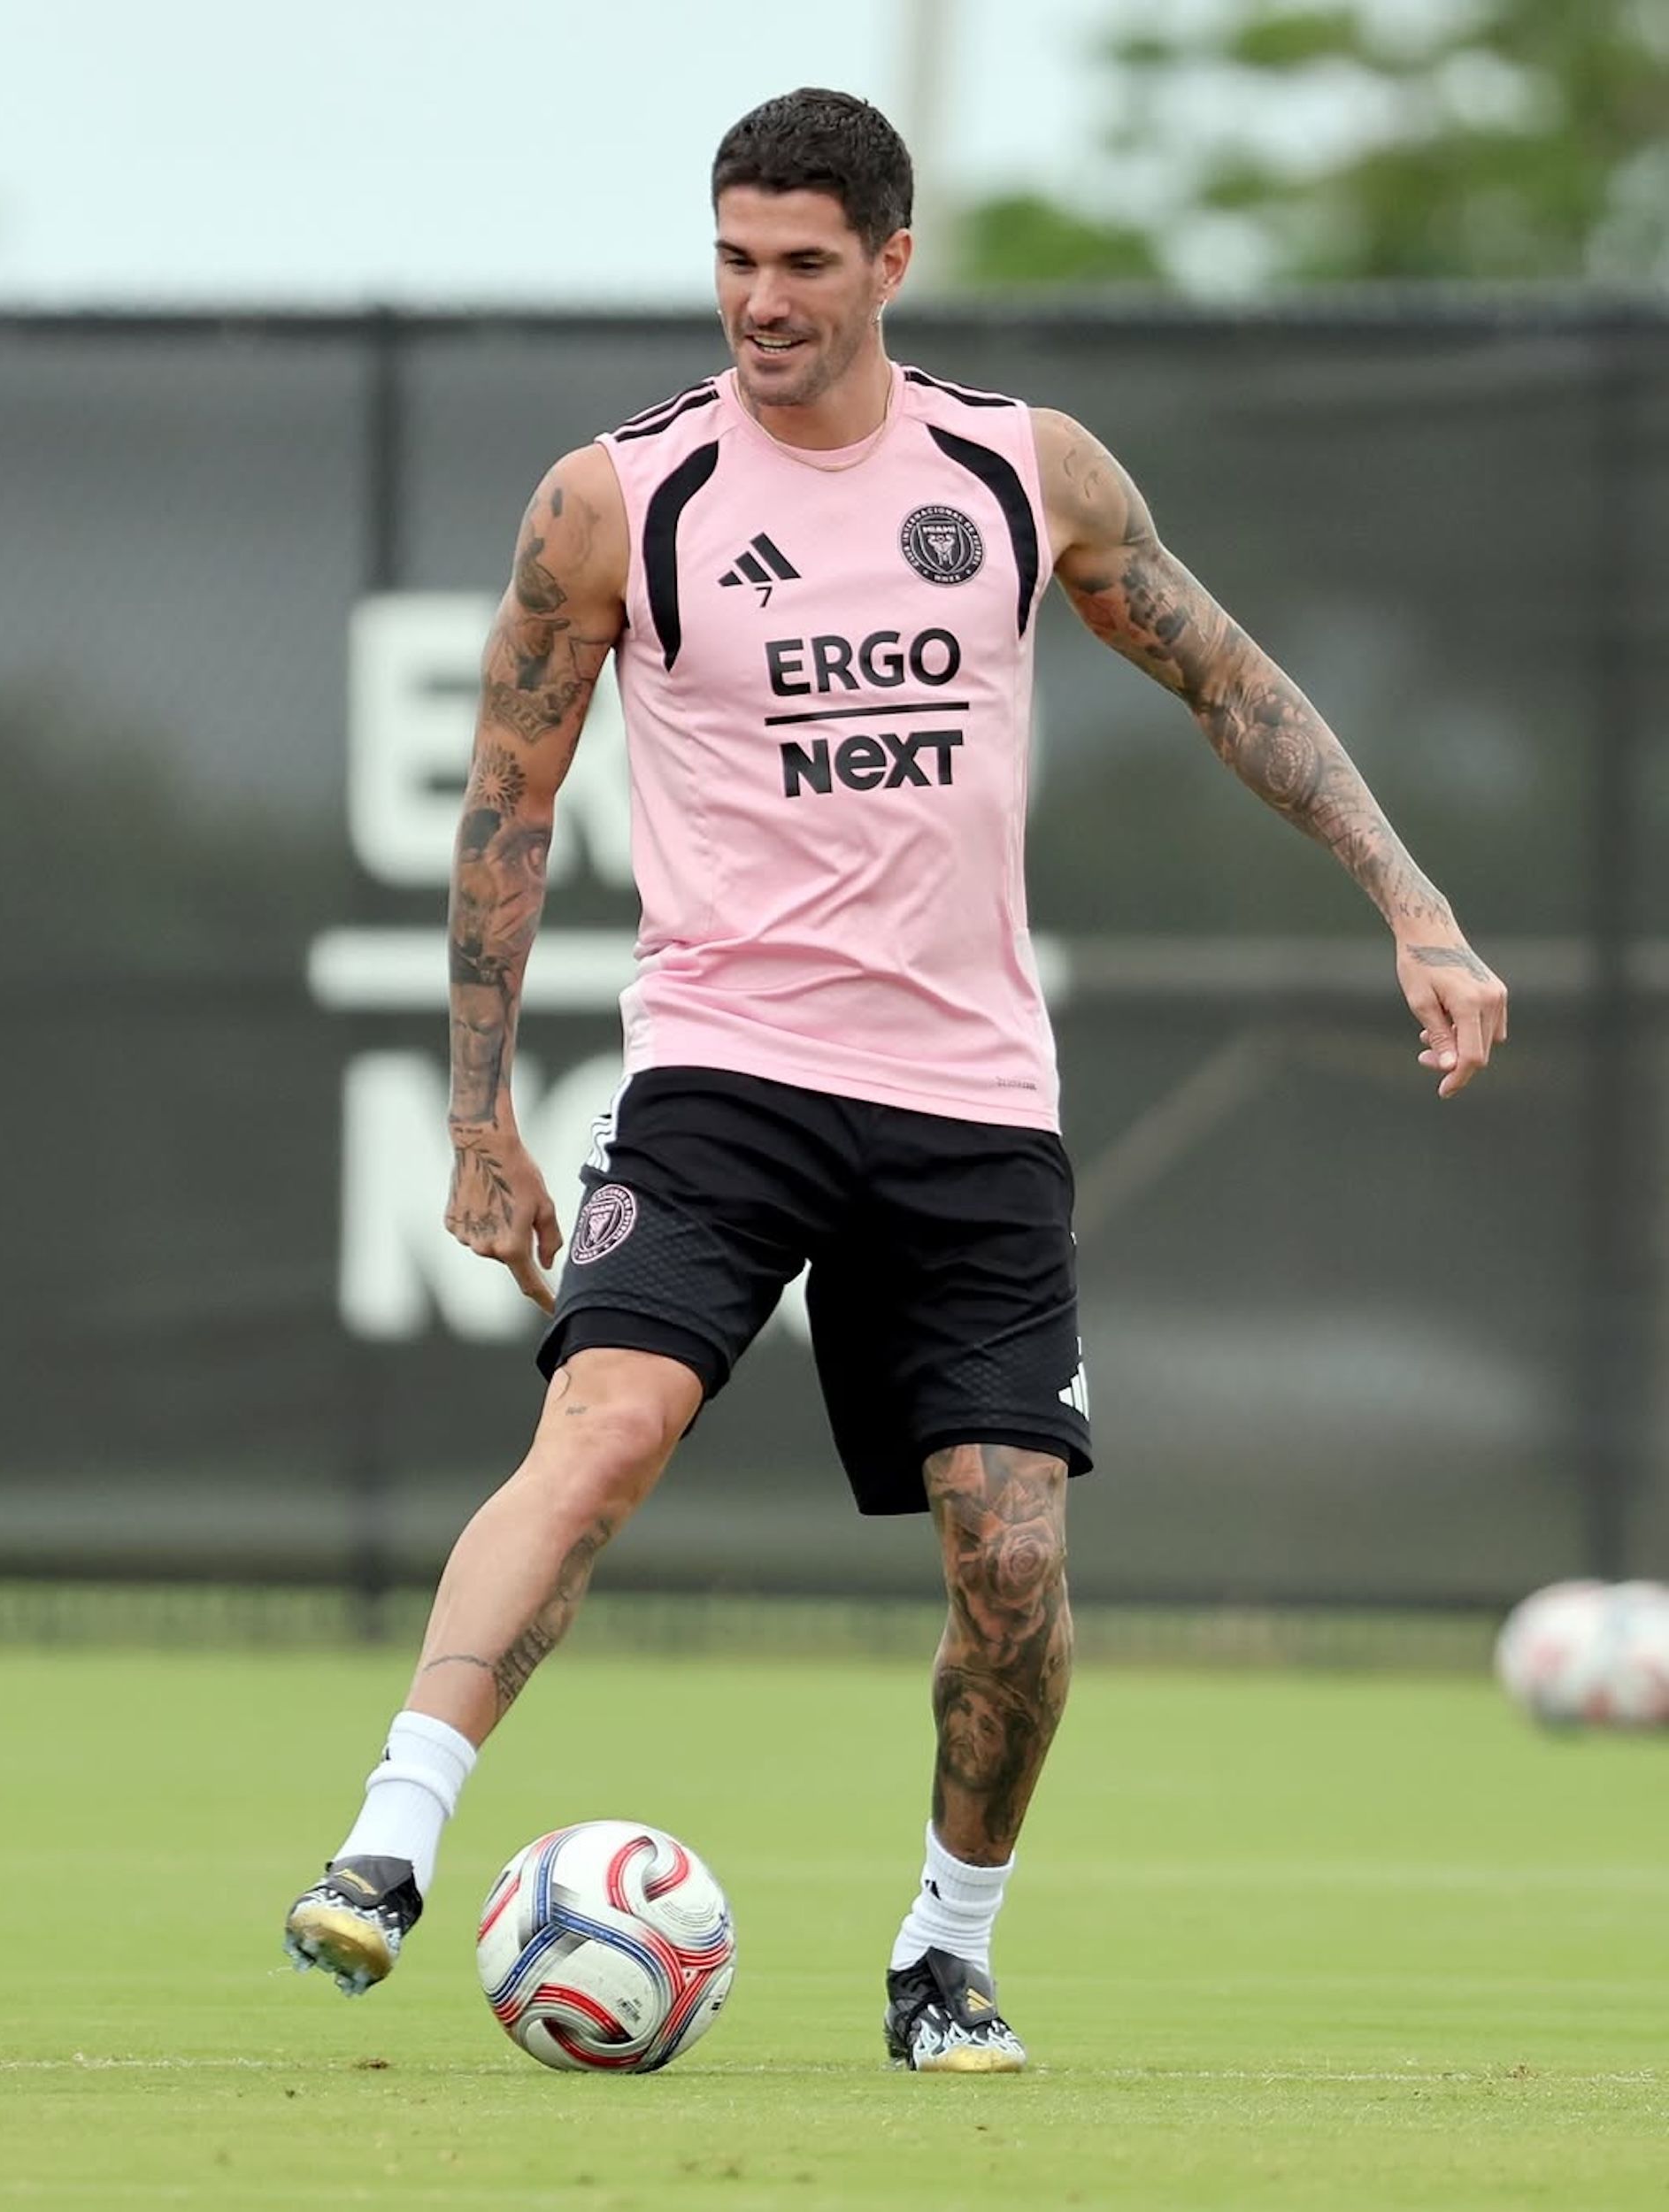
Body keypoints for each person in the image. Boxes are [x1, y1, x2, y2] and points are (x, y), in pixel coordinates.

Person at [284, 87, 1507, 2071]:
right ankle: (388, 1845)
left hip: (968, 1100)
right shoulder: (616, 499)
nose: (758, 305)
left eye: (800, 265)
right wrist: (474, 1109)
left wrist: (1413, 900)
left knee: (1012, 1559)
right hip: (723, 1067)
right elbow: (505, 808)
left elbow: (1230, 682)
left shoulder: (1022, 470)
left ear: (888, 261)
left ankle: (944, 1952)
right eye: (730, 261)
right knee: (602, 1426)